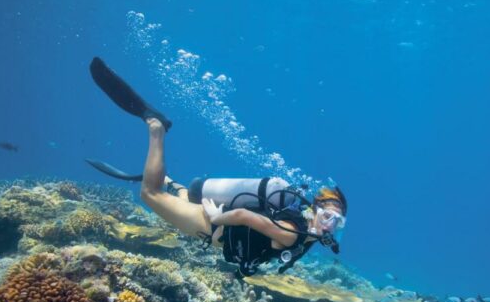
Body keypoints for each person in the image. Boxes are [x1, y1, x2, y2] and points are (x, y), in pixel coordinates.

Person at [88, 57, 347, 277]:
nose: (331, 225)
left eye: (338, 221)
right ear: (314, 210)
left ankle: (166, 178)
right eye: (327, 216)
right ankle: (156, 128)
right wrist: (215, 217)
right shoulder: (293, 233)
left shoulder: (307, 233)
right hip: (211, 226)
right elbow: (243, 216)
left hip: (220, 223)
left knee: (185, 195)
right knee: (149, 194)